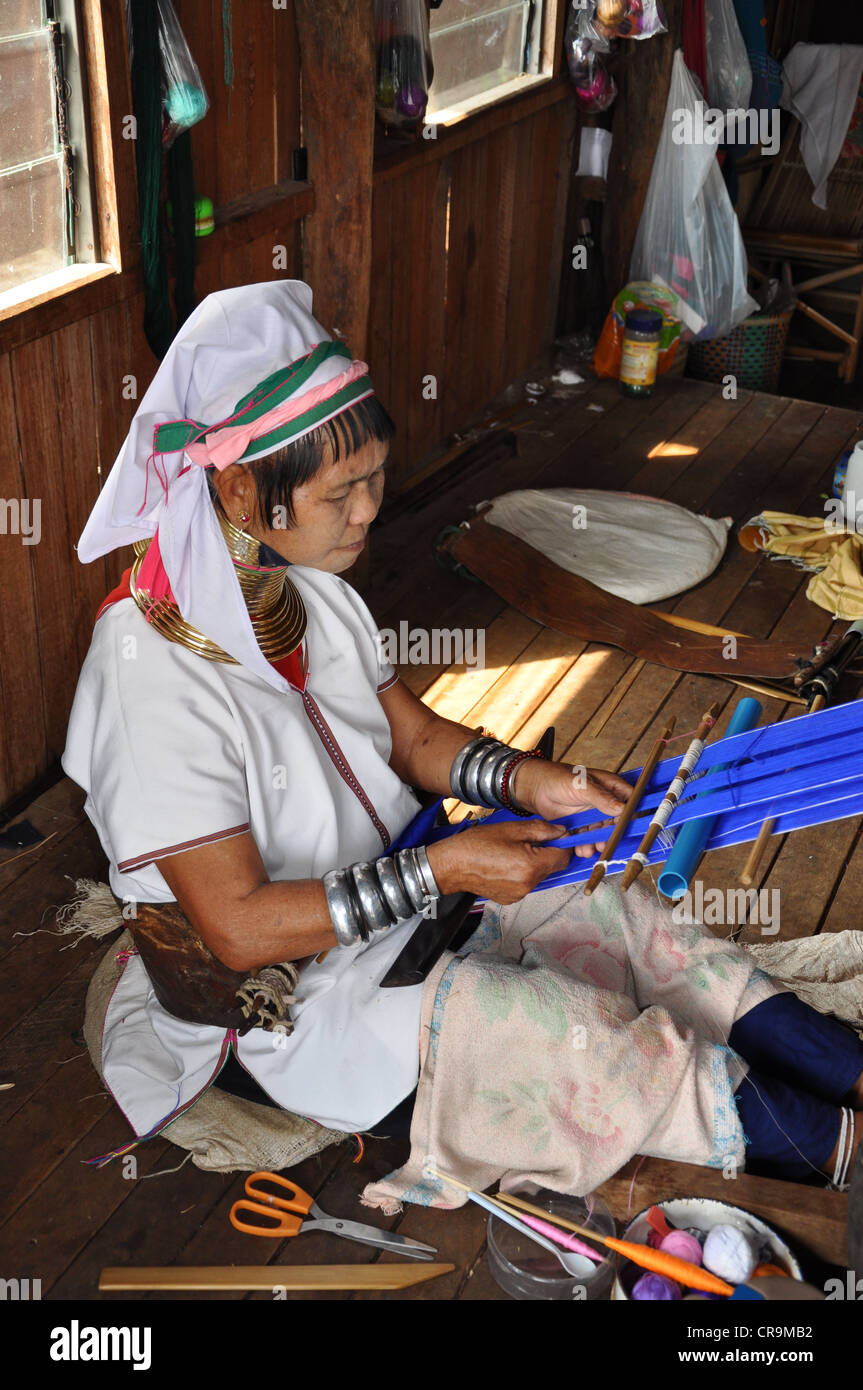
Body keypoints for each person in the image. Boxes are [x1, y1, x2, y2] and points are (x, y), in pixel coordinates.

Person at [63, 281, 863, 1191]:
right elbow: (241, 932)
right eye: (343, 492)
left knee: (634, 925)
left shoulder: (305, 587)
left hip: (415, 897)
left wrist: (533, 784)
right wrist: (447, 870)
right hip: (293, 1003)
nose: (369, 511)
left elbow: (407, 742)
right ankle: (843, 1158)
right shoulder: (149, 672)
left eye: (374, 478)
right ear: (243, 489)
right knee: (564, 1033)